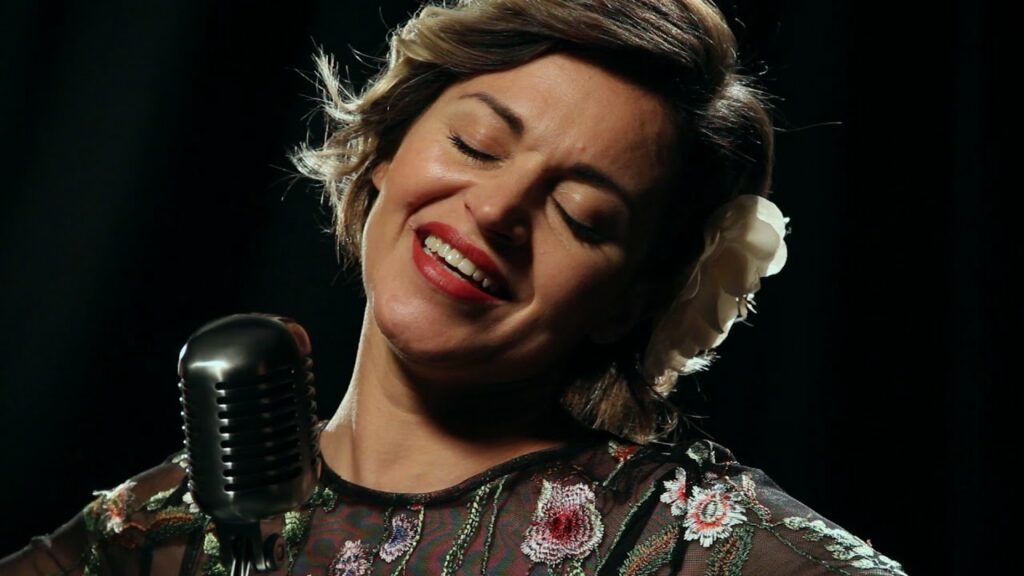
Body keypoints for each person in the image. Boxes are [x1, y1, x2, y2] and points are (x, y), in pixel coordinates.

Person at [1, 1, 909, 574]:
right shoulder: (149, 534)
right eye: (477, 144)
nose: (498, 209)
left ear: (632, 299)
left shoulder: (690, 546)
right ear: (389, 148)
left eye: (582, 215)